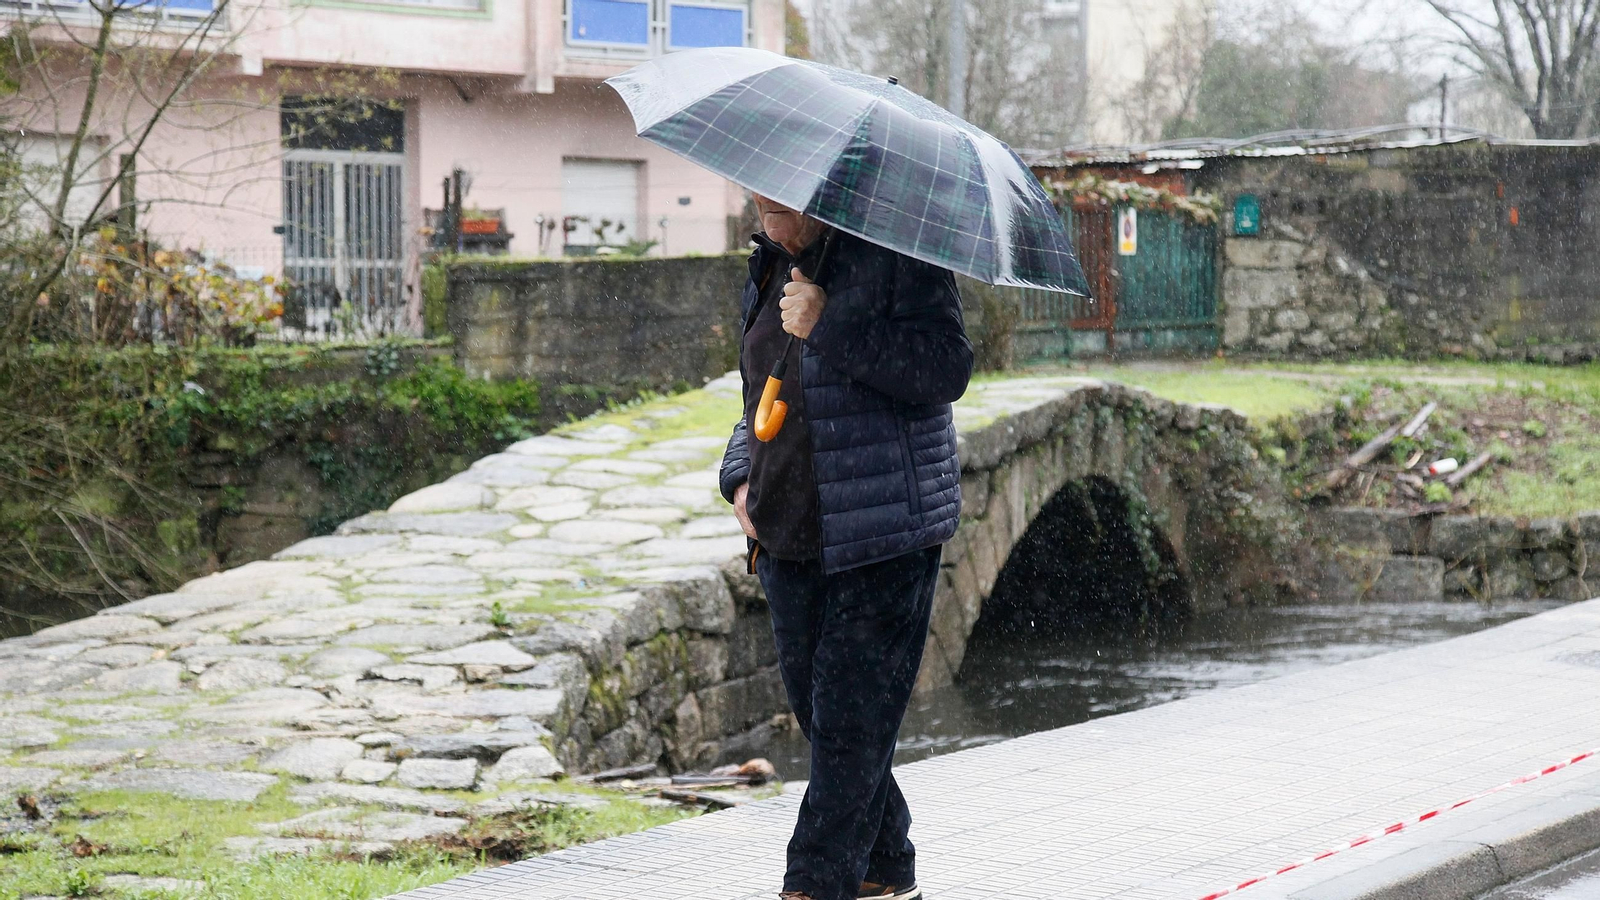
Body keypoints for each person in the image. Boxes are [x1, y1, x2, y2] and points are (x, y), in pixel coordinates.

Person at [719, 194, 973, 900]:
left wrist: (830, 323)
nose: (766, 216)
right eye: (759, 202)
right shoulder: (769, 264)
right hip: (788, 533)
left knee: (848, 726)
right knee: (824, 717)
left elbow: (946, 370)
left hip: (881, 535)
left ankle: (815, 883)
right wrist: (740, 476)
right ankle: (884, 865)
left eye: (780, 207)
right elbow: (759, 393)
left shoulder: (902, 254)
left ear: (821, 195)